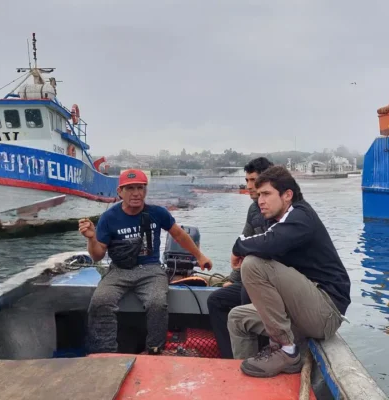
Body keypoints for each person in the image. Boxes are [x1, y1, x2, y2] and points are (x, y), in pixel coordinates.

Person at [226, 165, 351, 378]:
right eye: (259, 194)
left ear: (287, 195)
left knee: (253, 264)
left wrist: (238, 247)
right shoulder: (279, 222)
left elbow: (268, 244)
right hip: (303, 309)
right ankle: (249, 380)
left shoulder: (301, 217)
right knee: (237, 318)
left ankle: (286, 350)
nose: (260, 200)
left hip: (326, 310)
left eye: (266, 194)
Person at [79, 169, 212, 355]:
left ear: (145, 190)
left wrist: (200, 256)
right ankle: (105, 352)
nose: (136, 193)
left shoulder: (158, 213)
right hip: (119, 271)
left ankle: (155, 349)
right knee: (100, 301)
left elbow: (179, 235)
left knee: (157, 303)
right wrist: (91, 239)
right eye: (130, 188)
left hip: (151, 269)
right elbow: (97, 256)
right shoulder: (109, 218)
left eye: (140, 188)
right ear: (120, 192)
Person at [206, 157, 273, 358]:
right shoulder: (254, 210)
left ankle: (262, 354)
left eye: (254, 180)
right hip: (252, 278)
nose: (250, 186)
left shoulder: (282, 210)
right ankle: (231, 358)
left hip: (275, 283)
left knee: (247, 293)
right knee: (216, 300)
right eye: (247, 181)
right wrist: (231, 280)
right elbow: (243, 245)